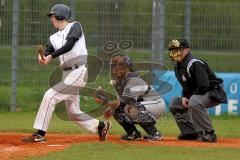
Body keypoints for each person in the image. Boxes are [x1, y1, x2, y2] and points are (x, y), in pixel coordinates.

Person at [22, 4, 111, 143]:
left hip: (78, 71)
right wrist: (43, 58)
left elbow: (69, 44)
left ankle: (40, 133)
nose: (51, 19)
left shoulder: (75, 26)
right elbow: (46, 53)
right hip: (67, 74)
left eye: (53, 16)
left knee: (50, 96)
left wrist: (51, 57)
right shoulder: (53, 37)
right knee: (73, 112)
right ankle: (100, 126)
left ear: (61, 15)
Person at [168, 39, 227, 143]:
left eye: (177, 49)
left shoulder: (194, 63)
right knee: (175, 103)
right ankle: (190, 133)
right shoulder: (178, 66)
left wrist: (191, 97)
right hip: (201, 93)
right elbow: (187, 86)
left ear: (186, 50)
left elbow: (204, 85)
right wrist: (185, 96)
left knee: (194, 101)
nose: (173, 52)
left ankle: (209, 133)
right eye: (172, 50)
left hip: (214, 92)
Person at [96, 54, 166, 141]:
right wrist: (111, 107)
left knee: (132, 108)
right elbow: (120, 101)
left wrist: (107, 102)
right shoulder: (119, 82)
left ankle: (155, 134)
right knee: (117, 111)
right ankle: (133, 134)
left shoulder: (133, 79)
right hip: (145, 104)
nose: (117, 67)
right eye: (114, 65)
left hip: (156, 104)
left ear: (128, 66)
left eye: (120, 64)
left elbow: (124, 101)